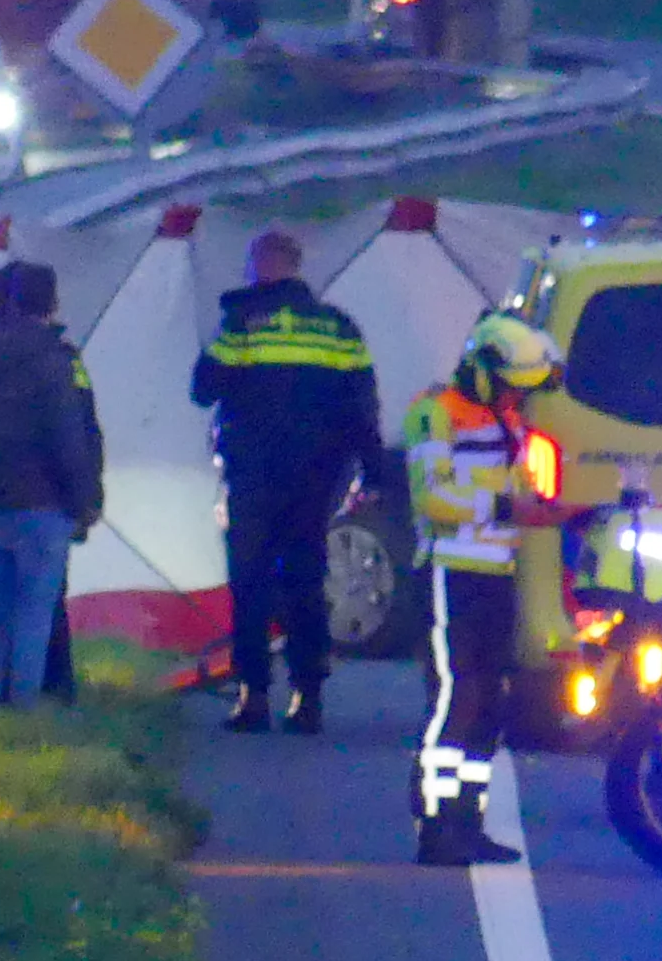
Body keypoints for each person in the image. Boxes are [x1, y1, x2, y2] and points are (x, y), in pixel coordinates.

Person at [191, 228, 379, 735]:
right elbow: (362, 406)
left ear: (260, 266)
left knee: (249, 582)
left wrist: (233, 332)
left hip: (253, 474)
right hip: (317, 478)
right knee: (305, 582)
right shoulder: (338, 328)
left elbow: (202, 388)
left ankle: (252, 696)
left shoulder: (243, 324)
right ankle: (308, 698)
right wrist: (374, 470)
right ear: (297, 267)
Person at [402, 313, 567, 866]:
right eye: (509, 389)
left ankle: (468, 819)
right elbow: (433, 501)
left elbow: (516, 488)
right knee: (457, 698)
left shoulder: (509, 422)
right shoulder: (435, 413)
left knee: (492, 704)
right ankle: (434, 823)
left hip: (498, 575)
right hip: (450, 574)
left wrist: (553, 511)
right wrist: (504, 507)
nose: (516, 400)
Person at [0, 261, 104, 707]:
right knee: (35, 613)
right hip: (44, 501)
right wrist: (86, 499)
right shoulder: (56, 357)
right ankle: (25, 707)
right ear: (50, 301)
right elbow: (71, 433)